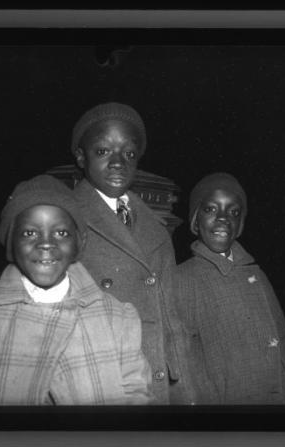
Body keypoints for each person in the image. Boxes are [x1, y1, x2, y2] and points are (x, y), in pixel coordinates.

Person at [0, 174, 152, 405]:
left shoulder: (117, 318)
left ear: (79, 243)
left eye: (61, 233)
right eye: (30, 233)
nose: (45, 244)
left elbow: (136, 397)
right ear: (11, 243)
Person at [70, 102, 195, 404]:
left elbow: (170, 316)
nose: (118, 162)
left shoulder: (156, 227)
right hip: (102, 383)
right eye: (102, 151)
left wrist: (184, 382)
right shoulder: (65, 220)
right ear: (80, 157)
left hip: (157, 379)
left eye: (128, 153)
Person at [174, 172, 285, 405]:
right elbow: (184, 367)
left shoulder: (254, 272)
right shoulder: (183, 278)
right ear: (196, 221)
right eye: (211, 209)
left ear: (240, 225)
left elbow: (282, 344)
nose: (223, 218)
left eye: (233, 212)